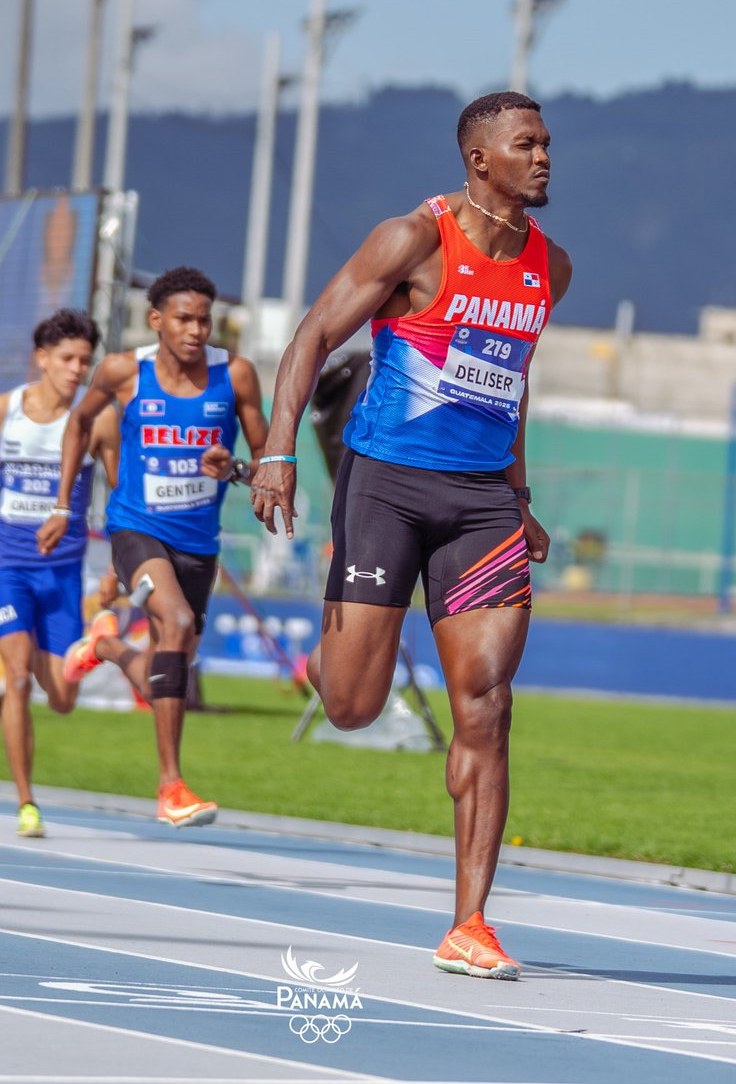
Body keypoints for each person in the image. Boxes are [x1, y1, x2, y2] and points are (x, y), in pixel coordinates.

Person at [251, 92, 572, 980]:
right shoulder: (414, 239)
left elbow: (511, 383)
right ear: (480, 160)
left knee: (488, 706)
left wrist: (520, 494)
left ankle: (470, 921)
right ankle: (351, 635)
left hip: (480, 508)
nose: (544, 157)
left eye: (547, 143)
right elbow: (315, 333)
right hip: (384, 487)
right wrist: (278, 452)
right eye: (527, 144)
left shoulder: (553, 267)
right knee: (351, 704)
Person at [37, 266, 269, 828]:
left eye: (205, 320)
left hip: (199, 541)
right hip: (135, 527)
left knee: (170, 673)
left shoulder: (235, 375)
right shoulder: (123, 370)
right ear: (157, 320)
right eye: (184, 319)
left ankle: (109, 647)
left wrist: (235, 467)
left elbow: (269, 463)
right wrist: (64, 504)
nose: (196, 330)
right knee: (178, 621)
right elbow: (77, 425)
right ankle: (171, 786)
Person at [0, 309, 120, 837]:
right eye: (67, 359)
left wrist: (121, 565)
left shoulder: (98, 419)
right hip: (8, 563)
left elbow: (121, 495)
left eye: (85, 360)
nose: (78, 369)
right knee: (13, 680)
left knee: (61, 699)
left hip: (62, 572)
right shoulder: (0, 409)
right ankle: (26, 803)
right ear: (42, 358)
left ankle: (87, 643)